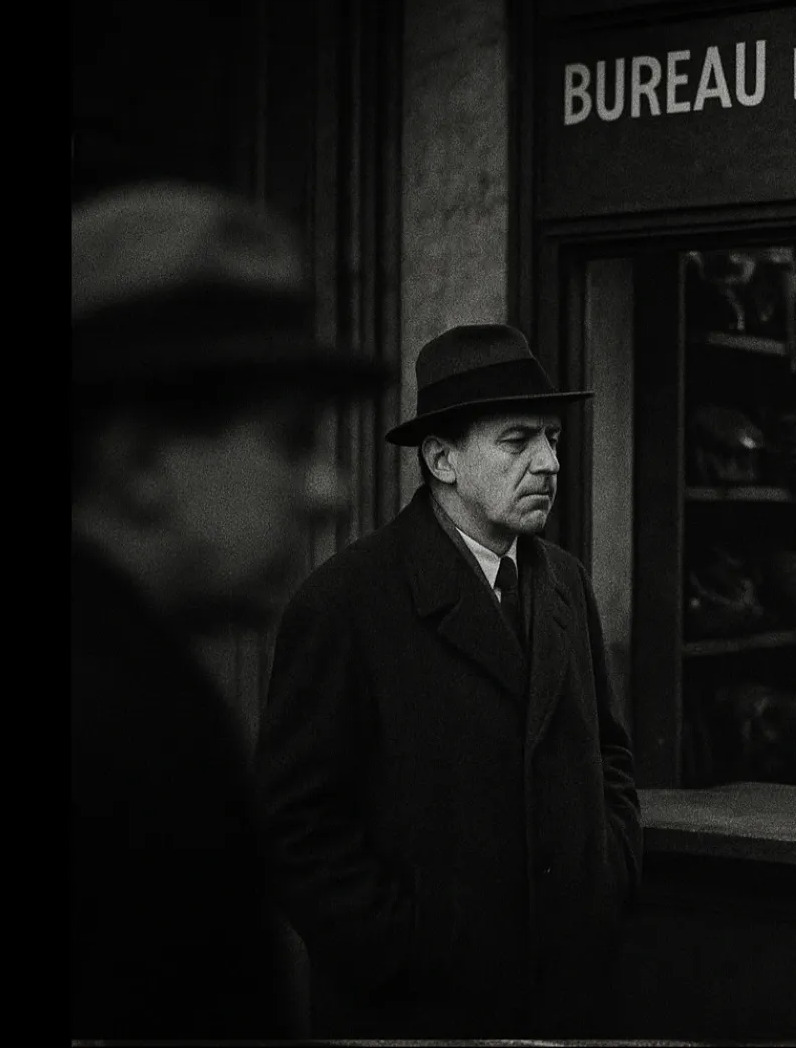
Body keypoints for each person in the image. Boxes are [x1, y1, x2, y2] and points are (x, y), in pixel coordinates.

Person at [255, 322, 642, 1038]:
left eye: (552, 437)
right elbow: (295, 830)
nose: (550, 461)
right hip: (418, 1016)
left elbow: (609, 756)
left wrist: (607, 870)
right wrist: (407, 947)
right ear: (441, 458)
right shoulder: (346, 601)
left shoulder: (565, 583)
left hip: (566, 999)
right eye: (517, 440)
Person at [71, 181, 389, 1039]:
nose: (330, 487)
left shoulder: (136, 692)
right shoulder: (120, 741)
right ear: (138, 462)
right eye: (291, 440)